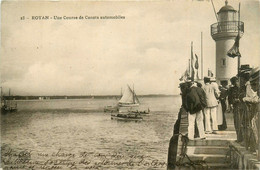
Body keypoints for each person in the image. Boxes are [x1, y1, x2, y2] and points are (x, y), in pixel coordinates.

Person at [228, 76, 242, 142]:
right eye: (236, 81)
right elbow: (230, 98)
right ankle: (239, 138)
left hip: (240, 107)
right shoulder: (232, 89)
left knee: (239, 123)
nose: (237, 82)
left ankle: (240, 138)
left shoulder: (242, 88)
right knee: (237, 123)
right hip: (236, 107)